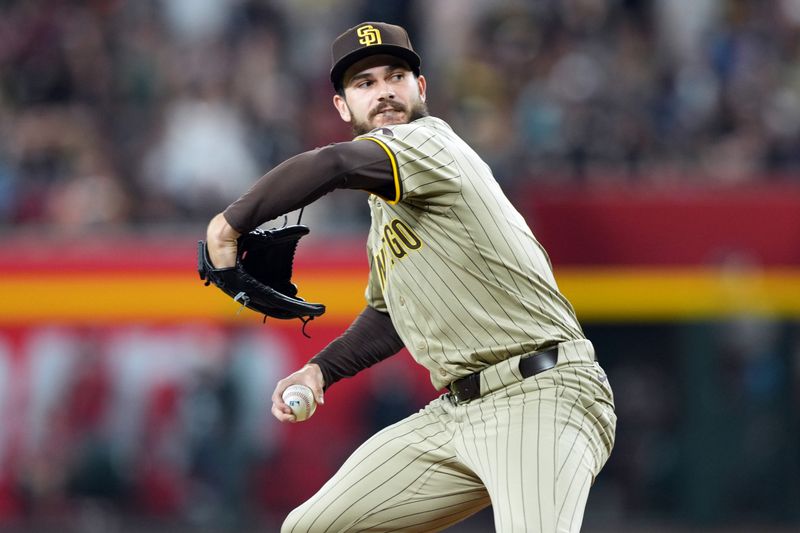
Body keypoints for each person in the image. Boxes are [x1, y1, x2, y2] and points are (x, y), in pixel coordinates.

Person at [205, 21, 616, 533]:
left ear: (420, 88)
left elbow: (333, 163)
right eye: (364, 84)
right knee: (309, 528)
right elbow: (389, 317)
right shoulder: (386, 211)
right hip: (457, 414)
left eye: (395, 75)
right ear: (342, 107)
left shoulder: (428, 144)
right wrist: (320, 371)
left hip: (542, 393)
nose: (383, 92)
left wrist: (230, 224)